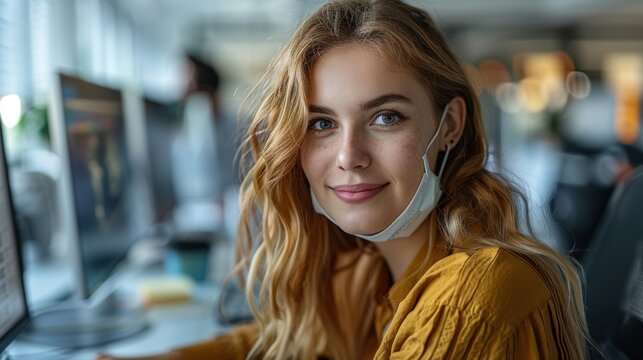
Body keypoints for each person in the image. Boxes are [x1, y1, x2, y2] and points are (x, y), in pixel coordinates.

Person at [99, 0, 590, 359]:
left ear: (450, 126)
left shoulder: (476, 293)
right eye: (321, 124)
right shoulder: (366, 268)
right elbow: (282, 340)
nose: (348, 157)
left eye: (386, 118)